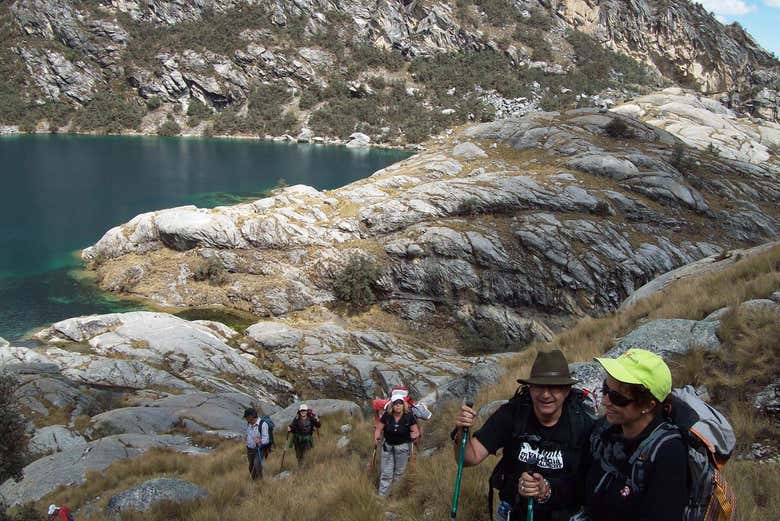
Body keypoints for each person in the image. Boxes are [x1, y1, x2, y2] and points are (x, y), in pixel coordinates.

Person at [453, 350, 596, 521]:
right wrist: (462, 432)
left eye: (554, 387)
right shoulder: (512, 414)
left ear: (567, 390)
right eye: (539, 386)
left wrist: (546, 489)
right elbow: (469, 458)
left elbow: (588, 483)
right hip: (514, 512)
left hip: (564, 514)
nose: (545, 394)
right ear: (530, 388)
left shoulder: (583, 424)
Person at [579, 348, 688, 521]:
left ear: (649, 405)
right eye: (605, 389)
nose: (605, 401)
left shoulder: (668, 453)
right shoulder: (603, 432)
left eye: (617, 398)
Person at [374, 391, 420, 497]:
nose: (398, 405)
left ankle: (395, 496)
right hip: (388, 447)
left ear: (403, 405)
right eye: (395, 403)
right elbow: (379, 429)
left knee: (399, 473)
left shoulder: (409, 416)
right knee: (386, 473)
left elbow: (416, 431)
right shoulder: (387, 416)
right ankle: (382, 497)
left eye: (400, 403)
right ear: (392, 405)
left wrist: (414, 435)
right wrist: (377, 436)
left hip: (402, 448)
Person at [243, 407, 269, 480]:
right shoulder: (249, 424)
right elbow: (248, 434)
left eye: (246, 417)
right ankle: (255, 482)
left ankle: (261, 482)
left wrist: (260, 440)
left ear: (251, 417)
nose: (246, 419)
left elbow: (266, 439)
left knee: (257, 464)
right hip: (250, 449)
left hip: (260, 449)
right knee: (251, 467)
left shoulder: (263, 424)